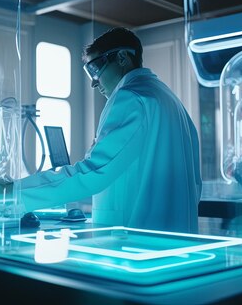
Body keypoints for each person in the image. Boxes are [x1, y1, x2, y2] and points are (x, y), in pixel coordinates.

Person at [10, 27, 202, 233]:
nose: (94, 82)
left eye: (95, 68)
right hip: (176, 240)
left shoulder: (131, 97)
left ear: (121, 58)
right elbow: (194, 184)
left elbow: (94, 172)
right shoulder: (170, 101)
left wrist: (13, 192)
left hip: (135, 243)